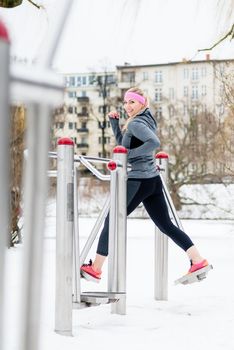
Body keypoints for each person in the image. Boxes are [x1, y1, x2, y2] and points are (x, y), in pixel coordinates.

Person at [81, 87, 209, 283]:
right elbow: (123, 146)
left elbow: (153, 142)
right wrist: (115, 125)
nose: (127, 106)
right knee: (165, 224)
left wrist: (127, 157)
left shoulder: (136, 124)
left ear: (142, 102)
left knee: (112, 219)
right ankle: (197, 259)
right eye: (125, 102)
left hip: (138, 180)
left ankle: (96, 268)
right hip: (152, 181)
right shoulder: (146, 120)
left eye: (132, 102)